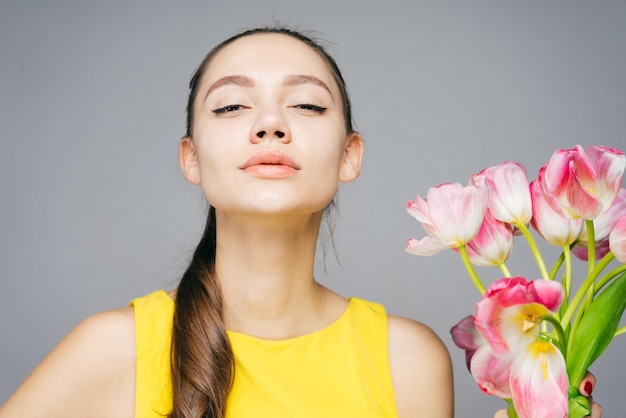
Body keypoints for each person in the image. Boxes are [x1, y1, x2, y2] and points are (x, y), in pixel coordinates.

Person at [0, 26, 601, 418]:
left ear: (349, 155)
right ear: (190, 158)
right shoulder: (113, 349)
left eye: (307, 104)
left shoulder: (408, 360)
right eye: (233, 106)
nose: (269, 125)